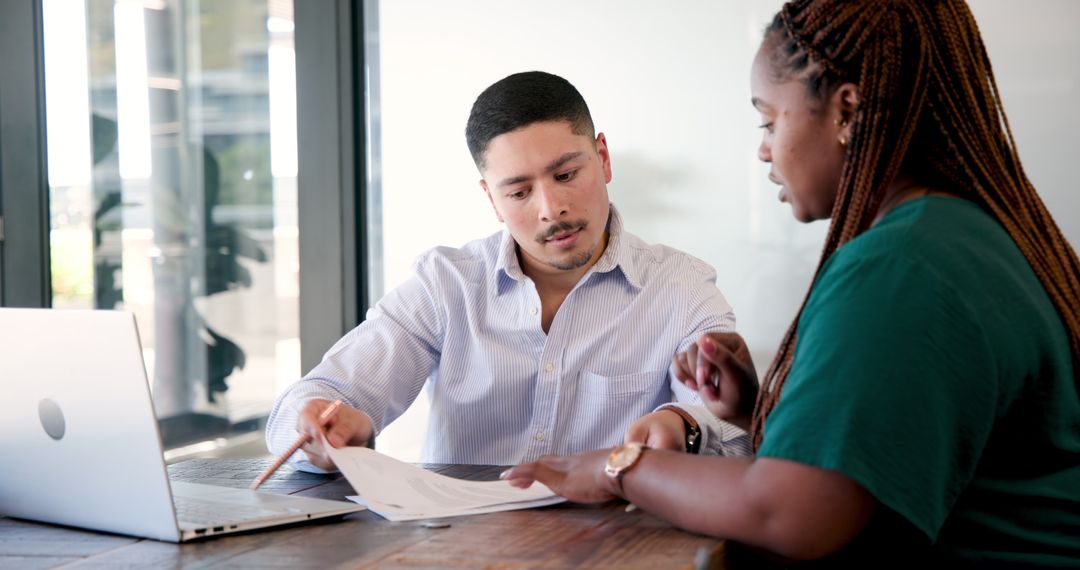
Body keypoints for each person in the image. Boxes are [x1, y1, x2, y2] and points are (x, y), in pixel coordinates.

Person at [504, 1, 1080, 566]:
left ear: (847, 112)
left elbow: (791, 516)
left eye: (769, 119)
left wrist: (619, 467)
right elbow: (883, 452)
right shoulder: (960, 233)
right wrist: (759, 409)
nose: (763, 148)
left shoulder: (899, 265)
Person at [265, 71, 746, 472]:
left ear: (602, 158)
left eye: (566, 175)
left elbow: (733, 430)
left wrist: (681, 426)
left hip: (612, 546)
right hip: (461, 548)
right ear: (491, 199)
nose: (551, 209)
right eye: (518, 192)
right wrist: (319, 426)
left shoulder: (682, 287)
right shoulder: (445, 284)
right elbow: (322, 393)